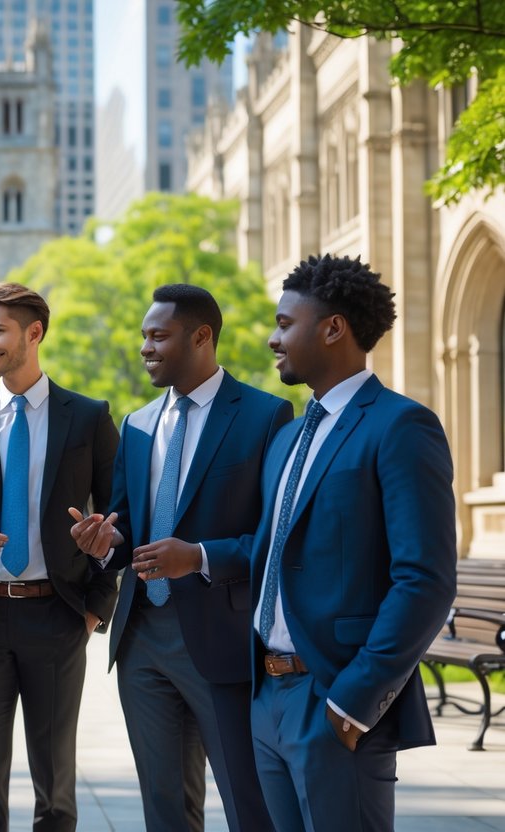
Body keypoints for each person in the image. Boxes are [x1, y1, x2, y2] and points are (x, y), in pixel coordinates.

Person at [171, 254, 455, 831]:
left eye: (283, 324)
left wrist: (356, 698)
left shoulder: (401, 427)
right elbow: (275, 549)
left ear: (333, 328)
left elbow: (424, 580)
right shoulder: (290, 436)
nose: (273, 339)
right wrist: (198, 557)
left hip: (334, 697)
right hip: (267, 697)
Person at [74, 284, 289, 832]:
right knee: (164, 808)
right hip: (141, 640)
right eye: (144, 336)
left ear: (202, 337)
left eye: (158, 336)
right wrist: (104, 542)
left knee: (249, 802)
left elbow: (275, 538)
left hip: (222, 640)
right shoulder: (139, 423)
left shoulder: (265, 416)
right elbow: (125, 524)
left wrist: (196, 556)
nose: (145, 347)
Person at [0, 282, 120, 831]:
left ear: (34, 333)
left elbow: (119, 519)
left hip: (57, 615)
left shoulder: (87, 418)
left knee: (56, 781)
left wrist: (94, 609)